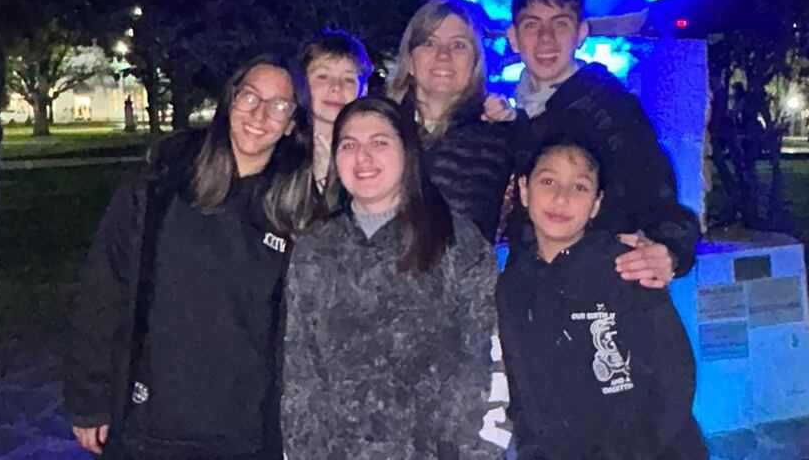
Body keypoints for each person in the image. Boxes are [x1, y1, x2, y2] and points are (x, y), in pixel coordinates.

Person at [64, 55, 320, 460]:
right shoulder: (163, 181)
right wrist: (89, 396)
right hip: (152, 424)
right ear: (230, 100)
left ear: (292, 123)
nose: (260, 114)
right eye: (250, 97)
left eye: (279, 105)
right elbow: (104, 286)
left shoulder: (299, 210)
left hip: (246, 434)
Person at [281, 96, 501, 460]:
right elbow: (300, 373)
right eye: (349, 145)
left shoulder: (457, 243)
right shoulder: (315, 248)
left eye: (379, 142)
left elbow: (488, 363)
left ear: (408, 151)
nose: (363, 157)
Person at [497, 140, 706, 460]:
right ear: (524, 190)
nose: (561, 198)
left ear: (596, 204)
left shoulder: (626, 267)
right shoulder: (513, 285)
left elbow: (674, 376)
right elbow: (520, 385)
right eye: (548, 181)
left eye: (579, 187)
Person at [507, 0, 699, 287]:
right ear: (513, 37)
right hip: (531, 295)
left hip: (598, 293)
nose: (545, 38)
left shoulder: (610, 109)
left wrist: (669, 251)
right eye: (531, 25)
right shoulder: (514, 117)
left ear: (581, 33)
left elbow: (659, 199)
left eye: (560, 24)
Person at [386, 0, 516, 243]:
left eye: (458, 45)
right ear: (410, 61)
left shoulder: (502, 137)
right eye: (429, 43)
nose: (443, 55)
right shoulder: (380, 127)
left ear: (475, 62)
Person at [296, 28, 372, 205]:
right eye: (323, 76)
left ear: (364, 90)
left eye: (348, 79)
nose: (336, 87)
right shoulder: (281, 147)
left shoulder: (372, 157)